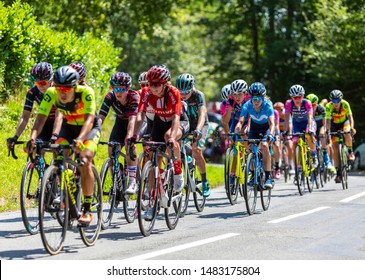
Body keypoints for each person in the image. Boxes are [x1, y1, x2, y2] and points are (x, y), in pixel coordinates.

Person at [27, 65, 101, 226]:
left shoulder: (86, 93)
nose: (62, 92)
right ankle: (70, 197)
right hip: (68, 128)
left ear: (75, 87)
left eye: (66, 89)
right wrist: (32, 138)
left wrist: (81, 139)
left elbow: (89, 120)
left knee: (86, 159)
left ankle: (87, 209)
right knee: (60, 159)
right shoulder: (51, 93)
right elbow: (40, 118)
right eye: (59, 88)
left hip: (89, 129)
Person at [132, 64, 184, 219]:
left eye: (156, 84)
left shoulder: (173, 92)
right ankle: (152, 202)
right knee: (153, 157)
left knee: (169, 138)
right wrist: (135, 135)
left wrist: (173, 137)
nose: (152, 87)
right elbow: (140, 115)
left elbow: (176, 118)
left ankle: (178, 171)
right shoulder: (147, 93)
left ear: (165, 83)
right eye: (150, 84)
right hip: (159, 123)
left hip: (177, 123)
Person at [98, 72, 140, 194]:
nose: (118, 92)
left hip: (134, 122)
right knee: (111, 148)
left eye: (121, 89)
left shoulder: (134, 97)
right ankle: (116, 181)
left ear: (128, 88)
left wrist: (129, 137)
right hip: (120, 122)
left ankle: (133, 181)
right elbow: (101, 116)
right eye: (115, 88)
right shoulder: (110, 97)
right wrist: (95, 132)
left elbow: (132, 120)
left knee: (129, 144)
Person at [175, 73, 210, 197]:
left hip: (200, 124)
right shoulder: (176, 96)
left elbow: (202, 114)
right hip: (185, 124)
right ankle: (186, 159)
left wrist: (199, 129)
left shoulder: (198, 96)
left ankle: (205, 181)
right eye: (181, 92)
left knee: (196, 150)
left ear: (192, 88)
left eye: (186, 92)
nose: (183, 94)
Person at [7, 62, 56, 149]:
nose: (41, 86)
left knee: (59, 154)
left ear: (51, 80)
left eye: (43, 83)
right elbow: (25, 116)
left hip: (59, 124)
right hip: (45, 123)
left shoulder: (58, 90)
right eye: (38, 83)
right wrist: (15, 136)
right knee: (34, 149)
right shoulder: (32, 92)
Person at [235, 82, 275, 189]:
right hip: (254, 129)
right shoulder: (247, 105)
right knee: (251, 149)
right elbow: (241, 121)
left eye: (258, 98)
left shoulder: (268, 105)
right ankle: (253, 175)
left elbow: (272, 123)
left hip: (266, 128)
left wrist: (271, 134)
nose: (256, 101)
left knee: (265, 146)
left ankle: (268, 177)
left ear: (263, 97)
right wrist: (237, 130)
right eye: (254, 98)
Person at [284, 85, 318, 173]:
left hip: (308, 122)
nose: (297, 99)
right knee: (294, 141)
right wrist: (285, 131)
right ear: (291, 97)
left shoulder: (307, 103)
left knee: (308, 135)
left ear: (303, 96)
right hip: (296, 124)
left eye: (299, 97)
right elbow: (287, 119)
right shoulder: (289, 103)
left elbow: (310, 117)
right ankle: (298, 166)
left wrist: (310, 129)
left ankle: (314, 155)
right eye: (295, 97)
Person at [325, 90, 355, 183]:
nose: (336, 103)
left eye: (337, 101)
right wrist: (328, 131)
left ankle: (350, 151)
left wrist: (352, 128)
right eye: (333, 101)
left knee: (347, 132)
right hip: (334, 125)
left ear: (340, 100)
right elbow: (327, 120)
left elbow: (350, 117)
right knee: (335, 149)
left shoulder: (345, 104)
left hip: (344, 122)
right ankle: (338, 174)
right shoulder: (328, 106)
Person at [306, 93, 334, 171]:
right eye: (310, 105)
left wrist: (325, 132)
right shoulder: (305, 110)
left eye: (313, 105)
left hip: (321, 126)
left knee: (322, 134)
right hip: (312, 127)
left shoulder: (321, 109)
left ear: (317, 104)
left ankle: (327, 161)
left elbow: (325, 124)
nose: (312, 107)